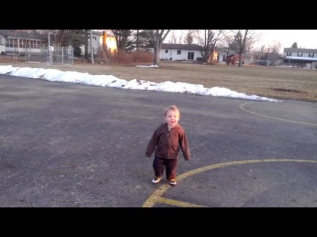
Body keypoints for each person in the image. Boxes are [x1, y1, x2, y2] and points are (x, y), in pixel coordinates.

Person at [145, 105, 190, 186]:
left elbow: (184, 143)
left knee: (171, 168)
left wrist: (186, 155)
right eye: (169, 116)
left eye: (175, 116)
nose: (172, 118)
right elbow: (153, 140)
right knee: (157, 165)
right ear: (165, 118)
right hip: (160, 153)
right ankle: (158, 175)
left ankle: (171, 177)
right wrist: (149, 151)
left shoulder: (180, 130)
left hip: (173, 155)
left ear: (178, 118)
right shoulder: (160, 129)